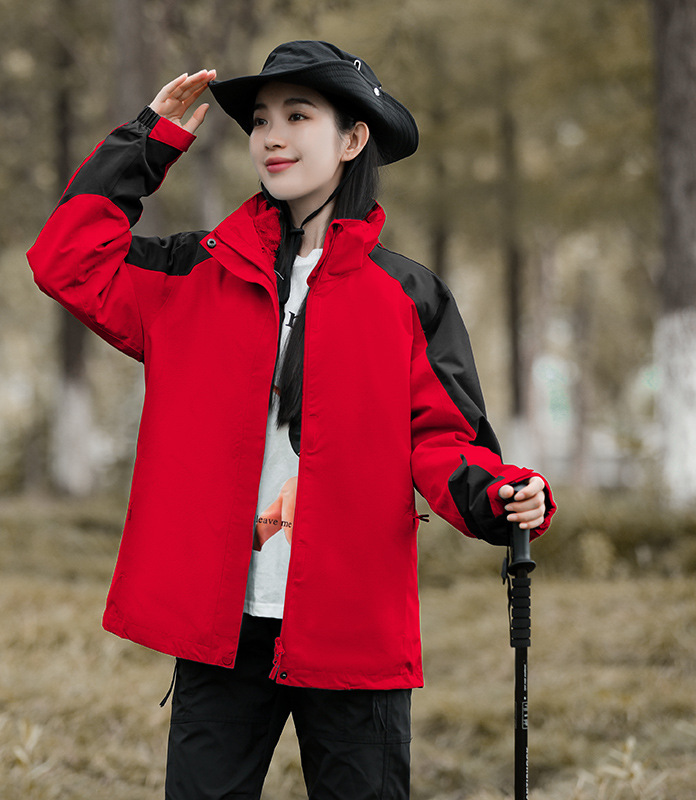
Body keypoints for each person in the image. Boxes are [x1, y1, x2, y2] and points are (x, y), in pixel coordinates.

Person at [27, 40, 555, 800]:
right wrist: (149, 139)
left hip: (351, 627)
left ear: (352, 138)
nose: (272, 137)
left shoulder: (408, 296)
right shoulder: (192, 274)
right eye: (261, 121)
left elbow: (444, 439)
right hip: (222, 630)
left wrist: (502, 493)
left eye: (298, 116)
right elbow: (67, 260)